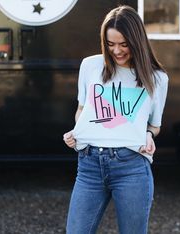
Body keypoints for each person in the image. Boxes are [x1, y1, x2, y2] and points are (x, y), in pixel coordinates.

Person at [63, 5, 168, 234]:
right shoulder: (90, 65)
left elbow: (155, 126)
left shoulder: (157, 78)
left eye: (123, 44)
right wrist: (77, 131)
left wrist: (149, 135)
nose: (117, 51)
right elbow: (82, 110)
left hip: (132, 167)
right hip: (89, 164)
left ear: (137, 40)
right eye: (110, 45)